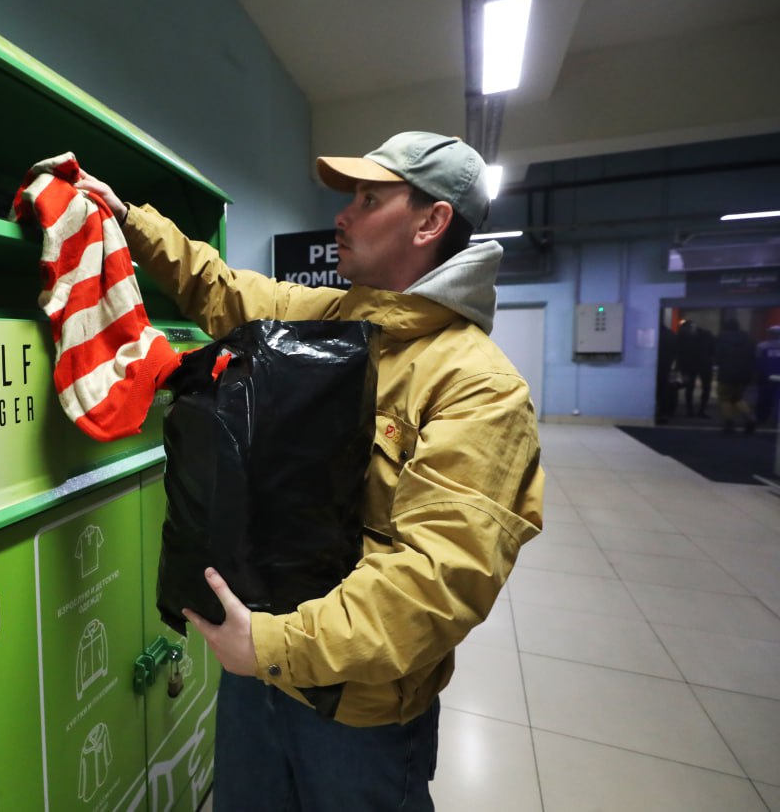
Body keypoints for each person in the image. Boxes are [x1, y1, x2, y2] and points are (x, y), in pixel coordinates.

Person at [76, 131, 544, 811]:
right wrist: (127, 219)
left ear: (431, 220)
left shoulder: (478, 387)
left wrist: (265, 643)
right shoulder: (337, 318)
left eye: (369, 198)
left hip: (357, 717)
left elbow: (432, 585)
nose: (343, 216)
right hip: (258, 673)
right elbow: (226, 293)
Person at [715, 318, 757, 433]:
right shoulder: (748, 339)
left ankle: (729, 424)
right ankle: (750, 419)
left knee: (725, 398)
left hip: (726, 374)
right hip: (743, 374)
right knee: (738, 398)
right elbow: (753, 357)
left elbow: (718, 358)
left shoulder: (722, 339)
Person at [677, 319, 715, 417]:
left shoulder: (683, 336)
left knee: (690, 388)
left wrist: (681, 369)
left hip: (690, 365)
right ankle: (701, 410)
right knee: (706, 388)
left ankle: (690, 411)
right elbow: (712, 349)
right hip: (705, 364)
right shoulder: (706, 335)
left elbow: (680, 354)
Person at [757, 325, 780, 427]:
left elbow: (758, 361)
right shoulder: (762, 346)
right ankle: (776, 419)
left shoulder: (762, 346)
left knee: (764, 398)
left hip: (766, 376)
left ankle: (761, 418)